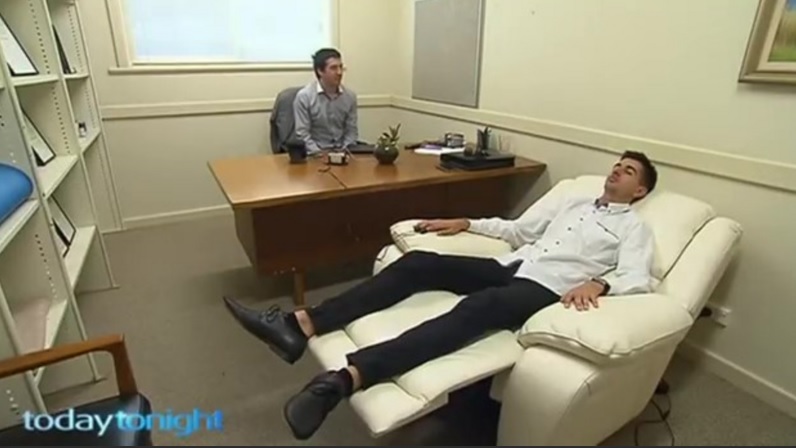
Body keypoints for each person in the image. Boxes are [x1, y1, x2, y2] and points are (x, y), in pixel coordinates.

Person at [223, 151, 659, 440]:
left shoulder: (633, 227)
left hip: (543, 288)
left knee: (477, 308)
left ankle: (345, 379)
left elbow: (639, 279)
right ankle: (301, 324)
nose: (617, 171)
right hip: (510, 265)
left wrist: (600, 284)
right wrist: (465, 222)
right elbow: (518, 231)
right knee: (419, 262)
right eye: (617, 165)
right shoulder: (575, 204)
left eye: (628, 171)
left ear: (639, 191)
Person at [293, 48, 358, 156]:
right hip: (315, 154)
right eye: (333, 68)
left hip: (343, 153)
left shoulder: (350, 97)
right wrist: (320, 154)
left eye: (341, 67)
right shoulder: (304, 97)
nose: (339, 72)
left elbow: (351, 131)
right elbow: (302, 135)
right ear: (320, 71)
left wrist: (345, 151)